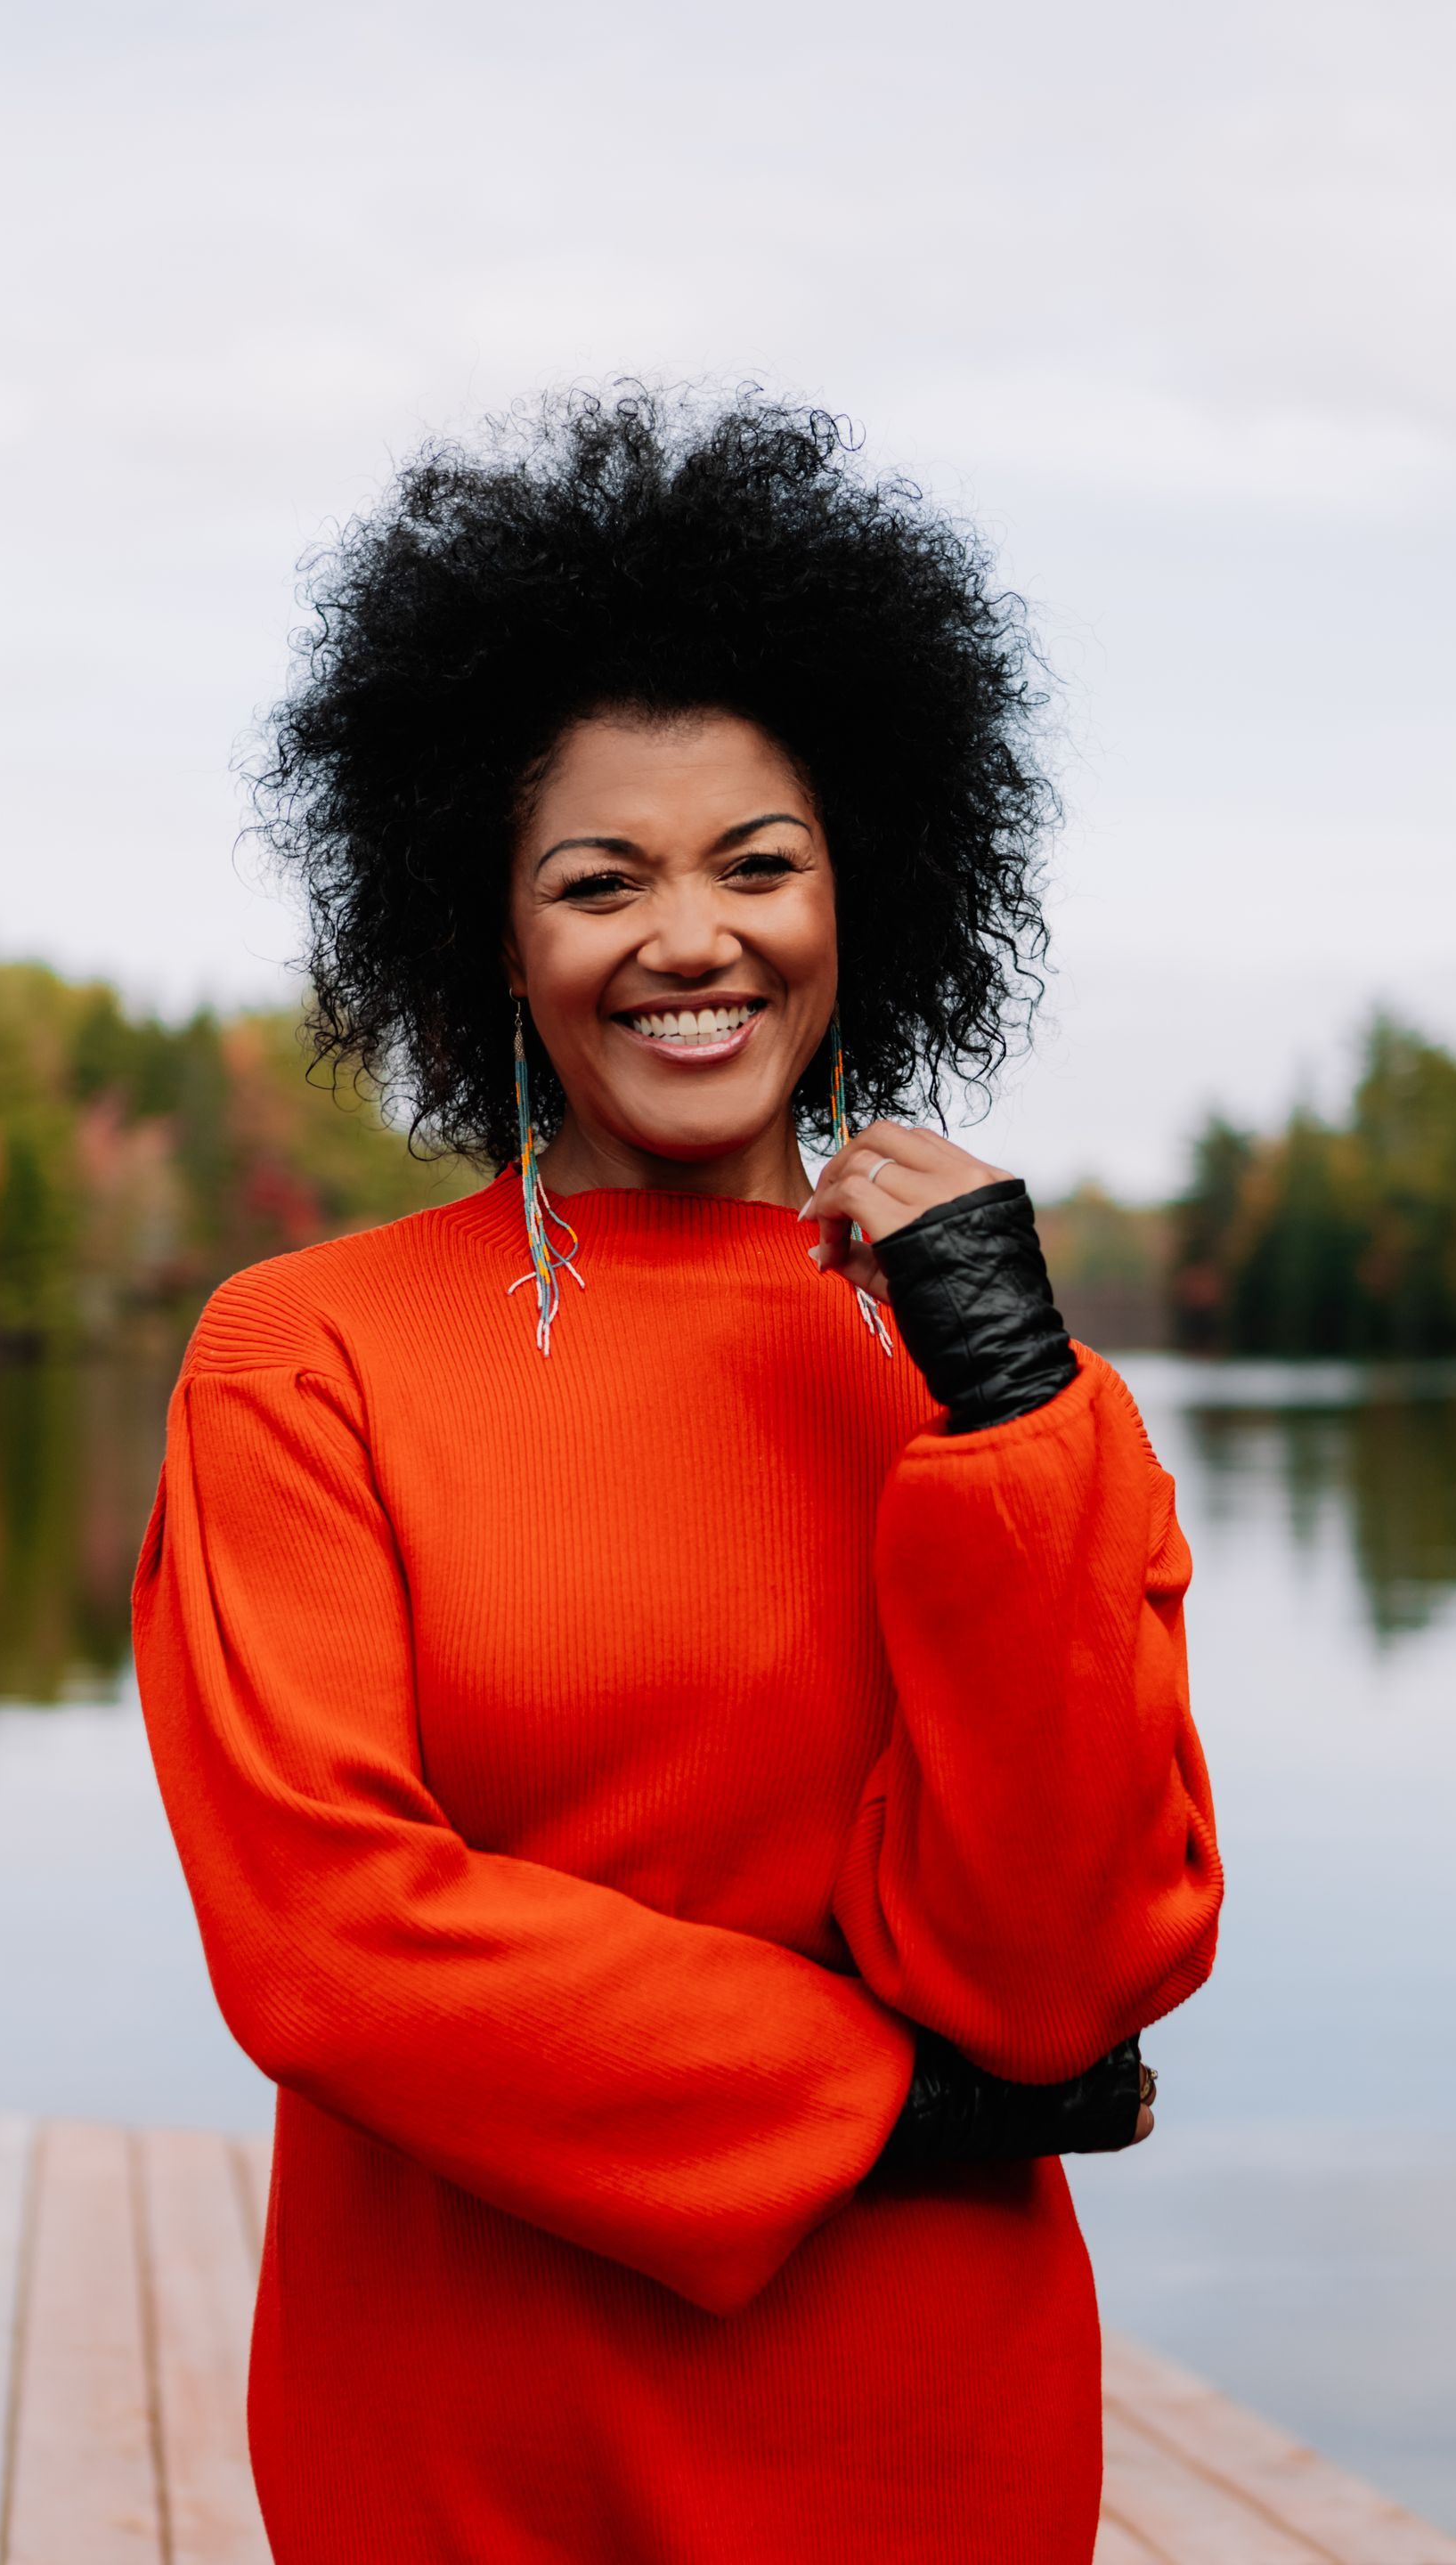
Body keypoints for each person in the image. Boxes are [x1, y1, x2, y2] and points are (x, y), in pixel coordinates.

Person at [134, 389, 1222, 2565]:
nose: (690, 939)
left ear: (866, 888)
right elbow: (330, 1935)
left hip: (924, 2428)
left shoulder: (993, 1378)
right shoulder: (305, 1352)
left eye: (759, 862)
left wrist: (1011, 1412)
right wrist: (895, 2104)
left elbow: (1069, 1974)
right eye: (598, 878)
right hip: (460, 2434)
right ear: (492, 930)